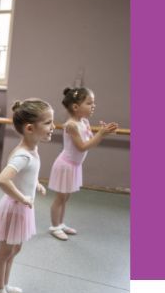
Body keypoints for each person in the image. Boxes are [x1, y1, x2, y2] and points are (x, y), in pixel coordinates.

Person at [0, 99, 55, 293]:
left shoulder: (31, 150)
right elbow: (3, 179)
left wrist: (35, 184)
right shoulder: (23, 155)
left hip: (23, 207)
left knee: (14, 249)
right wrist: (22, 197)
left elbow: (24, 174)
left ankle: (4, 284)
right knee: (4, 253)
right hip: (15, 208)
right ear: (30, 128)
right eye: (48, 122)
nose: (53, 127)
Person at [47, 87, 119, 240]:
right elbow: (82, 146)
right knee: (60, 198)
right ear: (75, 107)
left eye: (93, 103)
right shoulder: (71, 125)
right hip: (65, 166)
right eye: (89, 103)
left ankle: (60, 223)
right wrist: (101, 134)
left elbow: (89, 140)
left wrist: (103, 131)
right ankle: (54, 226)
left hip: (74, 166)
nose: (93, 106)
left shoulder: (84, 121)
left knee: (66, 197)